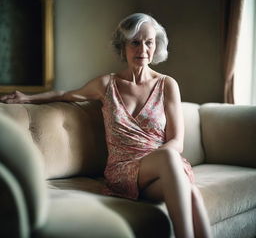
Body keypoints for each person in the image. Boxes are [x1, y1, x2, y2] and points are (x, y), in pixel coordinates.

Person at [0, 13, 212, 238]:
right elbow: (65, 94)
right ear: (123, 46)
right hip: (123, 170)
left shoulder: (167, 85)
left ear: (156, 45)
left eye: (149, 42)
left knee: (191, 192)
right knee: (172, 163)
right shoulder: (106, 84)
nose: (142, 49)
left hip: (162, 168)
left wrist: (163, 162)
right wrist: (28, 97)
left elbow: (176, 142)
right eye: (135, 42)